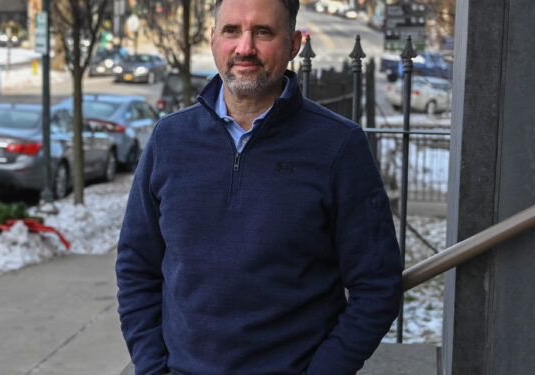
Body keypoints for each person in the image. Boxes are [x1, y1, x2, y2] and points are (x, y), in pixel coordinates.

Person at [115, 0, 403, 374]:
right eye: (231, 30)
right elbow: (137, 266)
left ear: (294, 44)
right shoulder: (169, 139)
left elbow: (377, 285)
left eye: (263, 32)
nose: (244, 47)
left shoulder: (338, 146)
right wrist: (153, 367)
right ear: (213, 38)